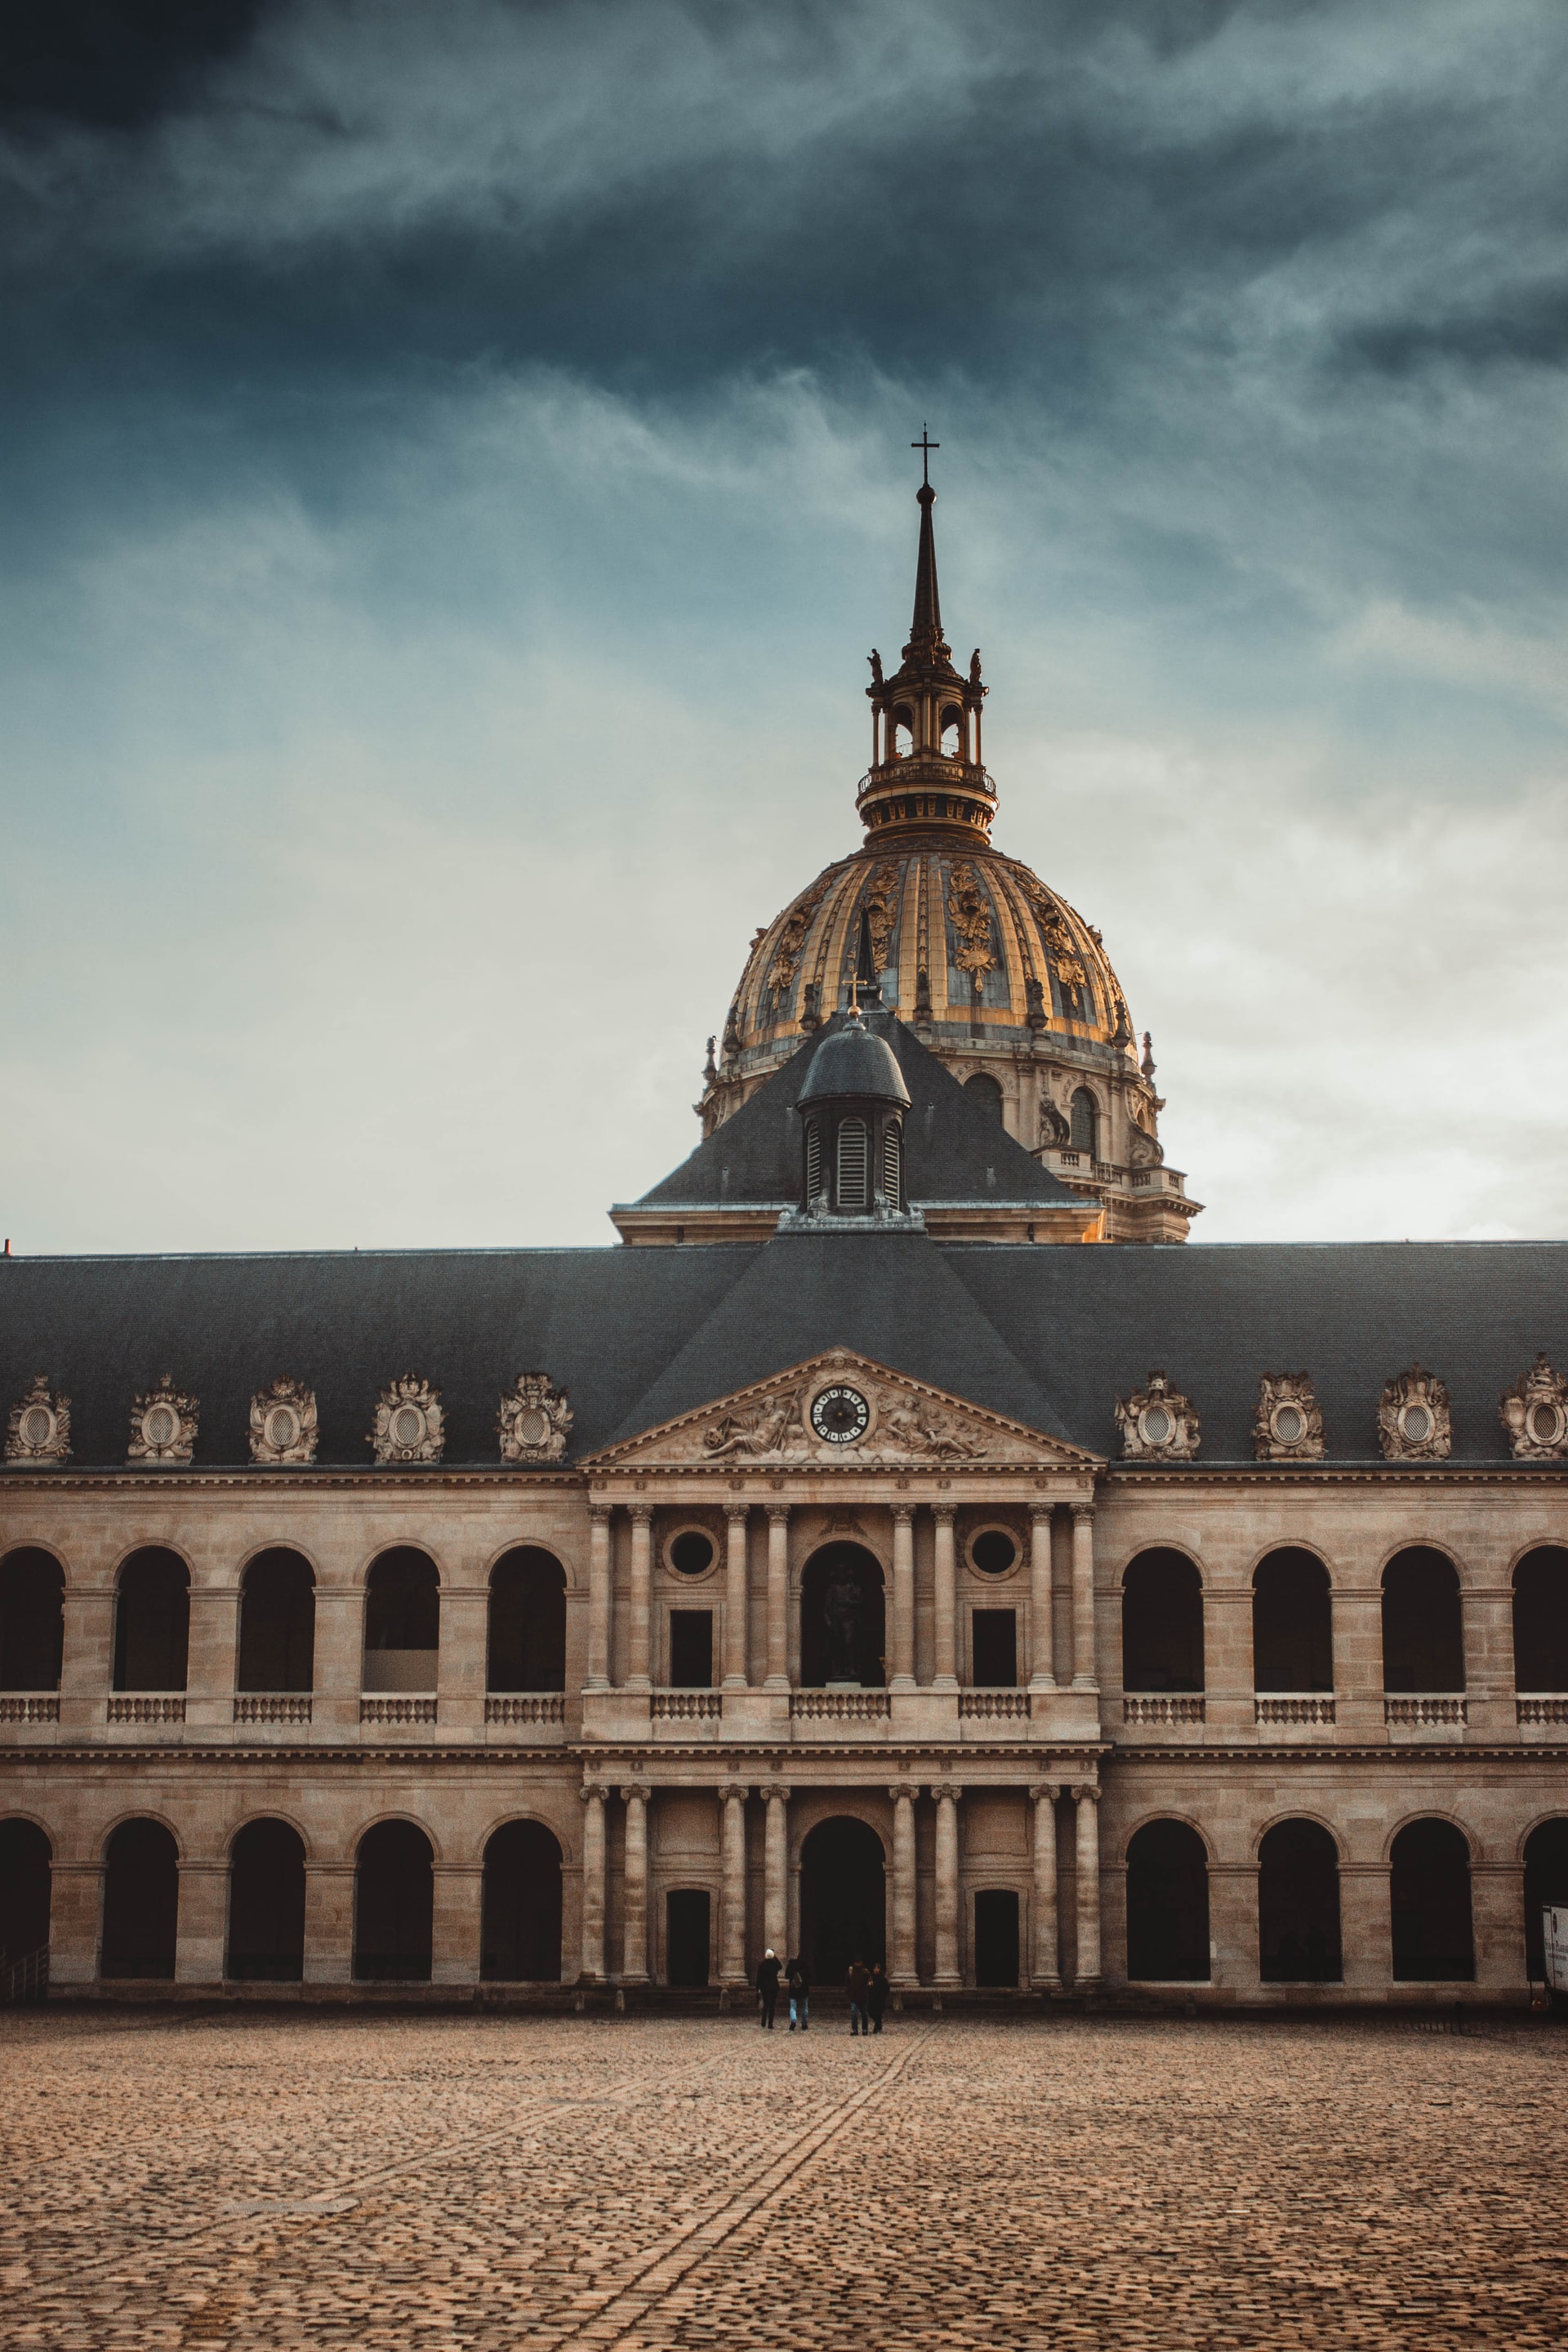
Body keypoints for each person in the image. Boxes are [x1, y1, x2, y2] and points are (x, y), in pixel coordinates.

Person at [756, 1947, 782, 2029]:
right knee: (772, 2006)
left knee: (766, 2005)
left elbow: (759, 1977)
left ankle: (763, 2022)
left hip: (764, 1988)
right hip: (773, 1987)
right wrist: (775, 1956)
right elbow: (780, 1966)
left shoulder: (762, 1964)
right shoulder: (774, 1964)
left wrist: (757, 1988)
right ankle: (770, 2024)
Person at [845, 1956, 871, 2036]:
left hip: (863, 1996)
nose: (858, 1963)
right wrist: (848, 1992)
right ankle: (854, 2029)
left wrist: (868, 1986)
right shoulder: (851, 1971)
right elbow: (847, 1982)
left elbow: (870, 1981)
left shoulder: (865, 1972)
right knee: (854, 2013)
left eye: (859, 1962)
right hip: (854, 1996)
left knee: (864, 2013)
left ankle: (864, 2029)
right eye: (856, 1962)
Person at [786, 1953, 810, 2031]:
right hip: (804, 1989)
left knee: (793, 2007)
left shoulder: (791, 1965)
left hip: (793, 1989)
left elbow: (786, 1976)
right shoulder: (805, 1966)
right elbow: (810, 1976)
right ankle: (804, 2023)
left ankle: (793, 2021)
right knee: (804, 2007)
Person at [866, 1960, 889, 2034]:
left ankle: (876, 2027)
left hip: (880, 1999)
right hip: (872, 1999)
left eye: (878, 1968)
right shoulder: (871, 1978)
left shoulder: (883, 1979)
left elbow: (887, 1989)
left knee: (878, 2013)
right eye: (875, 1968)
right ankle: (879, 2023)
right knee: (871, 2012)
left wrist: (883, 1996)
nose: (876, 1969)